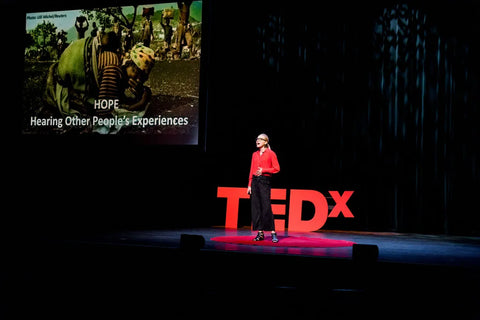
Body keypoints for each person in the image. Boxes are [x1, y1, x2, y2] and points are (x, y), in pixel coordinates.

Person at [247, 133, 281, 243]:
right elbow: (252, 169)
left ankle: (273, 232)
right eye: (257, 139)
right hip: (255, 182)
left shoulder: (271, 153)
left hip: (264, 181)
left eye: (260, 139)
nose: (257, 140)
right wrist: (249, 184)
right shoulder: (254, 154)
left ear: (265, 142)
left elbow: (277, 169)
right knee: (256, 208)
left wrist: (264, 170)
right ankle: (260, 233)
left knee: (266, 207)